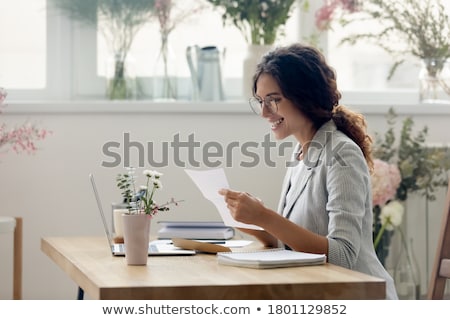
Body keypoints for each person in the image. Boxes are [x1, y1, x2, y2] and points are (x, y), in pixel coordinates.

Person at [218, 43, 398, 299]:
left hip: (357, 297)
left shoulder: (342, 153)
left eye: (274, 100)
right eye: (260, 101)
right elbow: (294, 244)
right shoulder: (300, 155)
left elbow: (342, 256)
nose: (264, 112)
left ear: (304, 96)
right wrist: (253, 220)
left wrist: (266, 216)